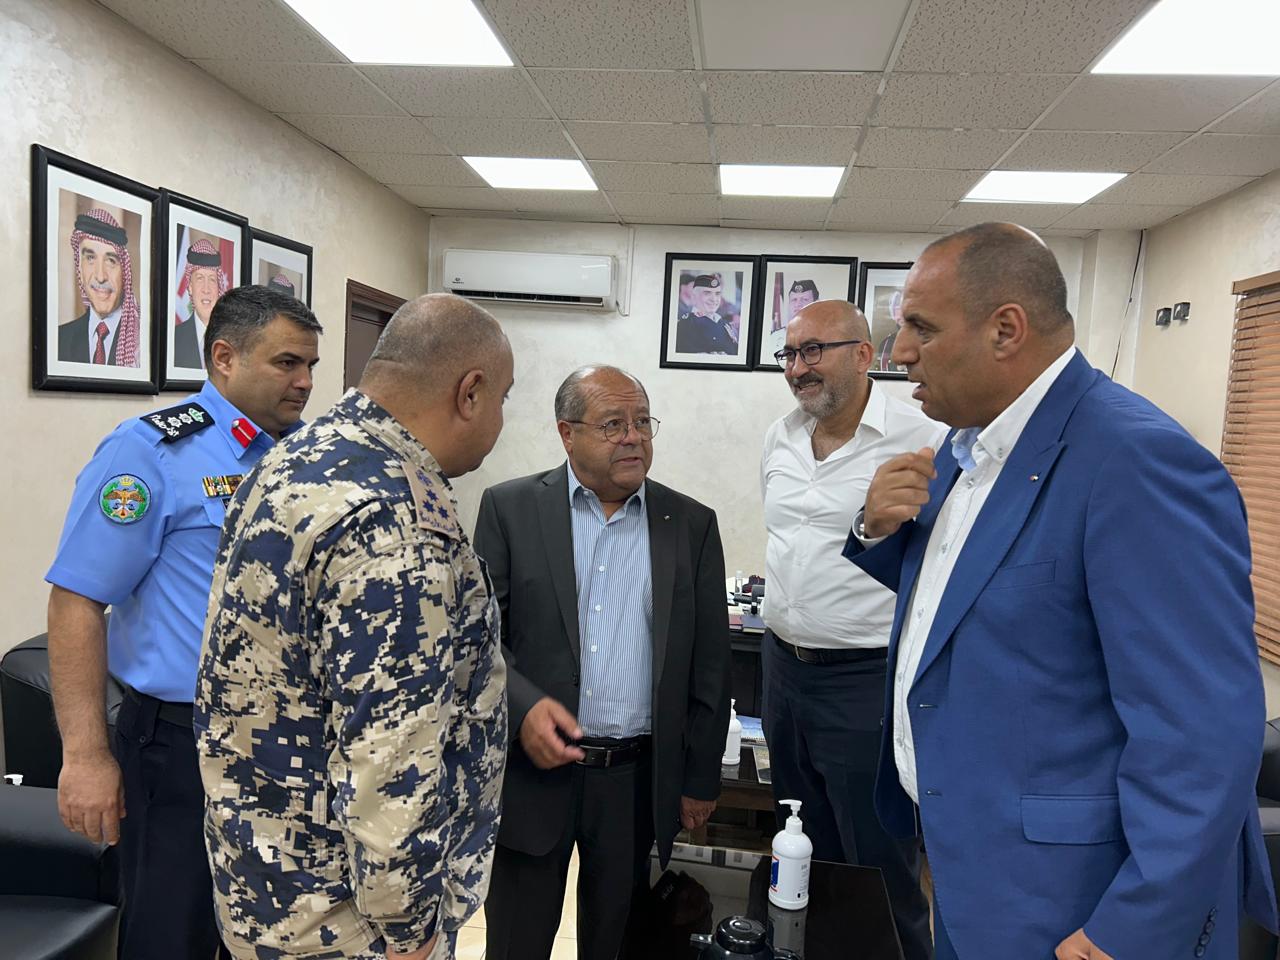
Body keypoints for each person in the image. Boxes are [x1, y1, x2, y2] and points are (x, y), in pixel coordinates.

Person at [845, 222, 1277, 959]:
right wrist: (877, 530)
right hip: (966, 860)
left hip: (1071, 899)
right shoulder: (967, 447)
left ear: (1005, 330)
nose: (900, 352)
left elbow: (1202, 735)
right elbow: (978, 600)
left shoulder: (1137, 461)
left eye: (921, 327)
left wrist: (1132, 928)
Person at [196, 293, 512, 960]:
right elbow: (391, 758)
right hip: (349, 927)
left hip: (264, 885)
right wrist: (410, 929)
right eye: (503, 400)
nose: (501, 421)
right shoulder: (394, 521)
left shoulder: (298, 455)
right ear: (470, 393)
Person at [45, 284, 322, 959]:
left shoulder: (306, 458)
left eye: (310, 365)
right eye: (287, 363)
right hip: (181, 749)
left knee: (276, 937)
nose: (306, 382)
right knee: (173, 936)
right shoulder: (150, 453)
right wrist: (85, 756)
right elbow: (77, 600)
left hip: (290, 747)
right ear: (224, 358)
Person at [474, 365, 730, 960]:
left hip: (633, 779)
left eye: (642, 422)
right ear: (567, 433)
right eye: (614, 424)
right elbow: (480, 638)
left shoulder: (689, 524)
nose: (633, 437)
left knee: (615, 942)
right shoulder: (510, 509)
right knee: (515, 941)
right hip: (534, 770)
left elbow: (710, 663)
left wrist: (699, 778)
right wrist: (525, 710)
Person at [760, 299, 942, 960]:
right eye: (789, 354)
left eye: (814, 350)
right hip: (782, 671)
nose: (797, 368)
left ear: (864, 355)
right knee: (801, 850)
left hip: (865, 681)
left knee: (877, 861)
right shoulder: (780, 437)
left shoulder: (923, 438)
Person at [57, 208, 142, 366]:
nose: (100, 276)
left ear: (124, 272)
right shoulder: (59, 339)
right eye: (90, 258)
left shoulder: (142, 341)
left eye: (111, 261)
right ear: (79, 268)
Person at [173, 237, 230, 370]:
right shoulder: (174, 339)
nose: (206, 289)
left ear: (219, 288)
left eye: (212, 280)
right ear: (190, 287)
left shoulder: (231, 338)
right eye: (199, 279)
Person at [675, 274, 737, 354]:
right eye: (707, 293)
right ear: (694, 297)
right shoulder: (686, 325)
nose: (714, 299)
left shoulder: (725, 324)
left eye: (717, 294)